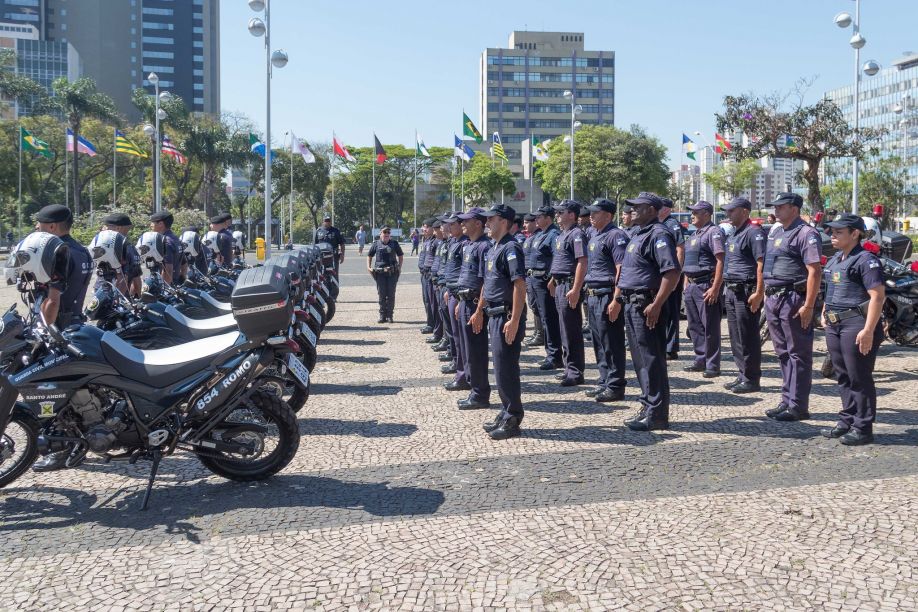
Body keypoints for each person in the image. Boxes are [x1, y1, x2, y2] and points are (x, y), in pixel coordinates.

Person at [609, 192, 680, 431]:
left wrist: (657, 304)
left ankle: (657, 413)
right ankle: (648, 405)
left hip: (646, 304)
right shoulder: (638, 234)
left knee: (652, 360)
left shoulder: (659, 235)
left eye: (638, 207)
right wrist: (618, 299)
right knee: (640, 360)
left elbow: (671, 273)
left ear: (651, 209)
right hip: (632, 303)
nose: (632, 211)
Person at [820, 213, 885, 445]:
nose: (832, 236)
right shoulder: (836, 258)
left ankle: (863, 427)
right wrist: (824, 312)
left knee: (859, 376)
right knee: (843, 375)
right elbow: (830, 289)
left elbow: (877, 296)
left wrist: (868, 330)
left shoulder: (866, 260)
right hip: (835, 323)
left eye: (838, 232)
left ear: (855, 233)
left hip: (857, 324)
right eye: (832, 232)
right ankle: (847, 419)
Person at [762, 192, 823, 422]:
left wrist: (808, 305)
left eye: (781, 206)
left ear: (794, 209)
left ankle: (798, 405)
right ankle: (786, 400)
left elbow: (814, 271)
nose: (776, 210)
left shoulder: (806, 233)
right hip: (774, 298)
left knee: (798, 354)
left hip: (793, 299)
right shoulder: (777, 231)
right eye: (775, 206)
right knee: (783, 353)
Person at [480, 204, 527, 440]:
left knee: (506, 369)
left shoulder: (511, 248)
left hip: (506, 315)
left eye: (492, 219)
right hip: (494, 314)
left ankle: (513, 417)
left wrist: (515, 320)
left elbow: (519, 285)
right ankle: (505, 410)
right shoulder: (494, 248)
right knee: (500, 369)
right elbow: (489, 284)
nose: (487, 223)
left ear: (504, 221)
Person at [583, 198, 630, 403]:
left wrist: (617, 298)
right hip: (593, 295)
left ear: (608, 215)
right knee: (599, 342)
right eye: (591, 212)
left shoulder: (616, 235)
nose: (591, 216)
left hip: (607, 294)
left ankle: (615, 384)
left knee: (611, 342)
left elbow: (621, 268)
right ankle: (604, 381)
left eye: (596, 212)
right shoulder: (595, 235)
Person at [721, 197, 766, 394]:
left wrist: (758, 292)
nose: (728, 214)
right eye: (728, 211)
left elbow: (761, 264)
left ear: (745, 212)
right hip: (732, 290)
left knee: (748, 336)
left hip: (746, 291)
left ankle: (752, 378)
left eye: (732, 211)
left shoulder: (754, 232)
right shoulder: (735, 233)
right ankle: (742, 374)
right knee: (735, 335)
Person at [681, 201, 725, 377]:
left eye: (696, 212)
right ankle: (700, 359)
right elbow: (688, 262)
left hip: (705, 284)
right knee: (694, 326)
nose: (692, 215)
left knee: (710, 327)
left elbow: (721, 260)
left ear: (707, 214)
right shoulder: (694, 235)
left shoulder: (713, 232)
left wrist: (715, 287)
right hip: (692, 285)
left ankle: (712, 364)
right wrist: (686, 282)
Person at [454, 207, 492, 410]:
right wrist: (461, 301)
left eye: (466, 221)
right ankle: (474, 389)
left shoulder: (484, 247)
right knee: (468, 350)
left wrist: (479, 310)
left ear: (478, 223)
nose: (462, 224)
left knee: (476, 351)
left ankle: (480, 394)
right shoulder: (470, 245)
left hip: (475, 304)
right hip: (465, 301)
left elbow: (486, 281)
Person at [548, 199, 588, 386]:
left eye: (560, 212)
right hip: (560, 284)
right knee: (563, 328)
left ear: (572, 215)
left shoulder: (576, 234)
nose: (557, 215)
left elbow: (581, 261)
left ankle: (575, 371)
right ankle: (568, 367)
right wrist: (553, 280)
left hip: (569, 285)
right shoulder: (562, 235)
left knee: (571, 329)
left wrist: (576, 289)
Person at [33, 205, 92, 329]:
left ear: (52, 226)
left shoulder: (59, 254)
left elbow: (53, 301)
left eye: (39, 223)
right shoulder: (83, 252)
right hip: (76, 325)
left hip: (56, 329)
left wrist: (44, 328)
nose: (36, 227)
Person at [530, 205, 563, 370]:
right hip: (535, 280)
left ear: (548, 218)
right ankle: (550, 353)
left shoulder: (553, 235)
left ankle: (555, 355)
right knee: (543, 318)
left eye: (539, 216)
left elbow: (557, 259)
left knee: (549, 319)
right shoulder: (540, 234)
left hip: (545, 281)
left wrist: (552, 279)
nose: (536, 219)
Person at [441, 213, 469, 387]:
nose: (449, 227)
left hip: (460, 294)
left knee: (461, 338)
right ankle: (460, 369)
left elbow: (463, 273)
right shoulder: (454, 242)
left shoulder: (464, 244)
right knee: (455, 335)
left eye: (452, 224)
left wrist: (458, 295)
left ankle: (463, 375)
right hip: (451, 291)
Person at [658, 197, 685, 360]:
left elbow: (680, 249)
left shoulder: (672, 224)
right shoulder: (661, 224)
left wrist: (677, 274)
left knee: (671, 310)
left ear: (667, 209)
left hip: (672, 273)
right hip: (663, 273)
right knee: (664, 309)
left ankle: (671, 347)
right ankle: (665, 344)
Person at [367, 226, 403, 323]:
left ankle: (390, 315)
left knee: (391, 294)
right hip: (380, 273)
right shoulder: (376, 244)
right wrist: (368, 267)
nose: (386, 236)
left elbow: (400, 255)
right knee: (382, 294)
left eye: (388, 235)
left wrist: (399, 267)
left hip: (392, 273)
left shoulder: (394, 243)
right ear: (380, 234)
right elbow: (369, 255)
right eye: (384, 234)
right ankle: (382, 315)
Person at [104, 212, 143, 297]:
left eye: (107, 227)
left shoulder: (101, 246)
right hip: (120, 300)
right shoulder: (130, 248)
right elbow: (136, 280)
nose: (104, 229)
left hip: (103, 298)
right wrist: (138, 298)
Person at [522, 213, 544, 347]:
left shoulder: (539, 237)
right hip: (529, 276)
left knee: (539, 307)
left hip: (537, 276)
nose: (524, 225)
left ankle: (541, 334)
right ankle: (537, 332)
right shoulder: (530, 238)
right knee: (534, 305)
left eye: (527, 222)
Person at [426, 220, 445, 346]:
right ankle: (442, 336)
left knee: (440, 311)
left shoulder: (441, 243)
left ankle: (442, 336)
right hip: (434, 278)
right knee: (434, 306)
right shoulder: (439, 243)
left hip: (443, 283)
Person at [150, 210, 181, 285]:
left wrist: (164, 290)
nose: (150, 225)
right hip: (176, 282)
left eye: (152, 222)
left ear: (160, 224)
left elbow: (168, 270)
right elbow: (184, 263)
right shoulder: (176, 239)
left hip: (167, 285)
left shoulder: (165, 242)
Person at [418, 220, 435, 334]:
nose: (424, 229)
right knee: (426, 301)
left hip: (429, 275)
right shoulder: (426, 240)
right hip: (424, 274)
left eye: (426, 227)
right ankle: (430, 323)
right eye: (423, 227)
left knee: (432, 302)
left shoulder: (435, 242)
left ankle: (433, 325)